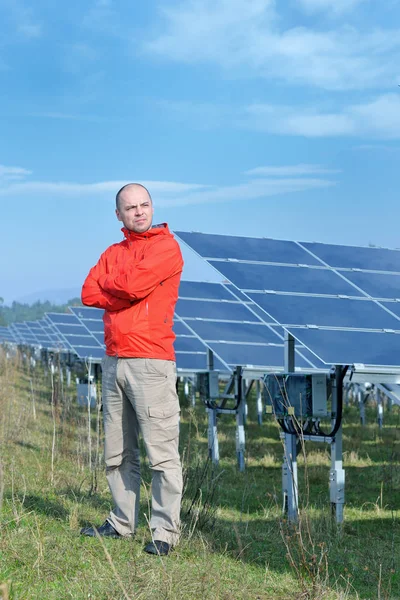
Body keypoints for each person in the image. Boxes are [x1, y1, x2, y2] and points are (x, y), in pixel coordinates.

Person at [80, 183, 184, 556]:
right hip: (114, 360)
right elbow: (89, 291)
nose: (139, 212)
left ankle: (164, 532)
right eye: (130, 207)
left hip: (152, 361)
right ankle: (121, 522)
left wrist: (120, 286)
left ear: (152, 207)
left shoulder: (166, 248)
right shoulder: (113, 252)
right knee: (118, 451)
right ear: (118, 215)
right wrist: (120, 287)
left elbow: (137, 285)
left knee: (161, 452)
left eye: (144, 205)